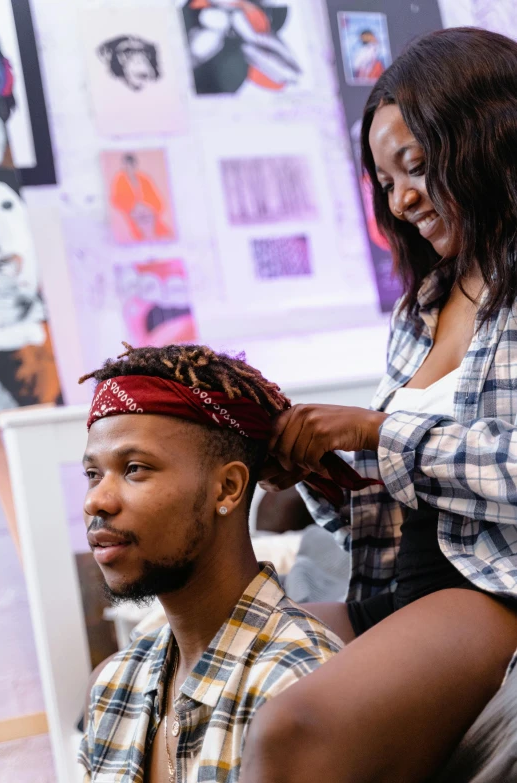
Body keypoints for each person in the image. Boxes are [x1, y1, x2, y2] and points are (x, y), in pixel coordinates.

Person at [239, 27, 517, 783]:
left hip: (490, 590)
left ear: (489, 138)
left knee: (290, 730)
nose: (401, 198)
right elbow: (390, 492)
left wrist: (377, 429)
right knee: (210, 668)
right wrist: (317, 469)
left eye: (417, 166)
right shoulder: (420, 309)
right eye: (385, 180)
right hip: (390, 583)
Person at [77, 343, 342, 782]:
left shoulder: (296, 686)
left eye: (135, 468)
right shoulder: (115, 686)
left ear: (227, 488)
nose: (96, 500)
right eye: (93, 474)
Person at [110, 153, 172, 242]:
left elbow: (157, 200)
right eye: (126, 166)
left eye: (131, 165)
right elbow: (116, 199)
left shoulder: (144, 179)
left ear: (135, 165)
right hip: (132, 216)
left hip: (150, 215)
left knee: (163, 235)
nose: (128, 169)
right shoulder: (119, 179)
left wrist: (147, 207)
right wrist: (132, 207)